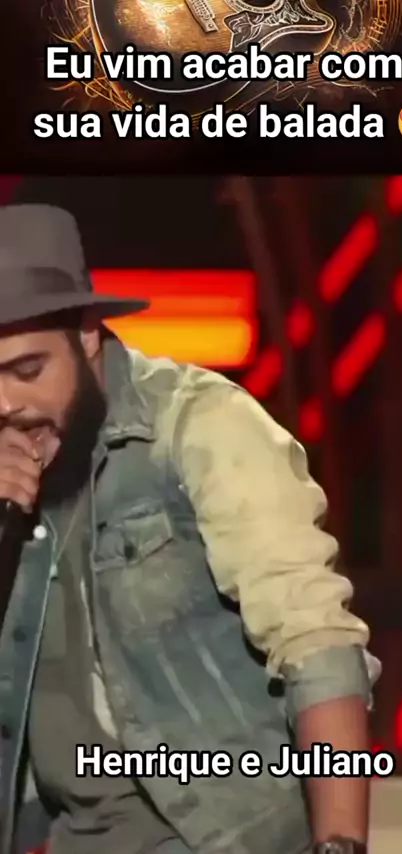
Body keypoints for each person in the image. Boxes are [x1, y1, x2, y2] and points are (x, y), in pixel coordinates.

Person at [0, 204, 380, 854]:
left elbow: (316, 642)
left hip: (224, 838)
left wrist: (340, 843)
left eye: (28, 370)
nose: (6, 404)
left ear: (87, 334)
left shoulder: (198, 426)